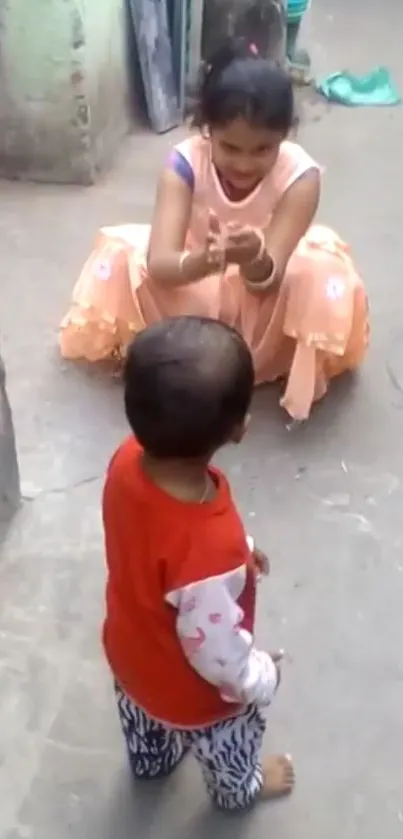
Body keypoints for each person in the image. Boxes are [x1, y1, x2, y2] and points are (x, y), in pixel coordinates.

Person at [60, 38, 369, 421]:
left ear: (285, 136)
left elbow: (266, 280)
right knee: (120, 257)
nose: (244, 164)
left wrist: (254, 256)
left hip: (264, 291)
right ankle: (196, 349)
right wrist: (207, 260)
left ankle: (257, 356)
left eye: (262, 150)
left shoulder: (300, 177)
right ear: (206, 130)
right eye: (230, 148)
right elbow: (161, 264)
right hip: (192, 273)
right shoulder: (183, 164)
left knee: (322, 275)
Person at [102, 315, 294, 811]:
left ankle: (151, 761)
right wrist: (260, 680)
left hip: (129, 655)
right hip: (194, 698)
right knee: (230, 740)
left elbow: (158, 541)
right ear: (240, 430)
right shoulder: (212, 551)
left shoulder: (125, 461)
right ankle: (241, 789)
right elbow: (217, 657)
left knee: (144, 725)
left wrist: (240, 549)